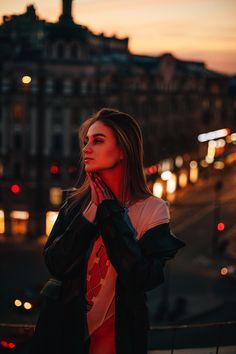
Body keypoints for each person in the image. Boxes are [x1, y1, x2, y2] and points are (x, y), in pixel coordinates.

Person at [28, 108, 185, 354]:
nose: (86, 149)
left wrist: (110, 211)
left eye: (98, 141)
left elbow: (141, 278)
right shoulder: (75, 203)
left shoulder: (153, 210)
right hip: (62, 333)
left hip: (117, 337)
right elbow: (56, 264)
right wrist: (92, 210)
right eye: (86, 141)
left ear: (123, 150)